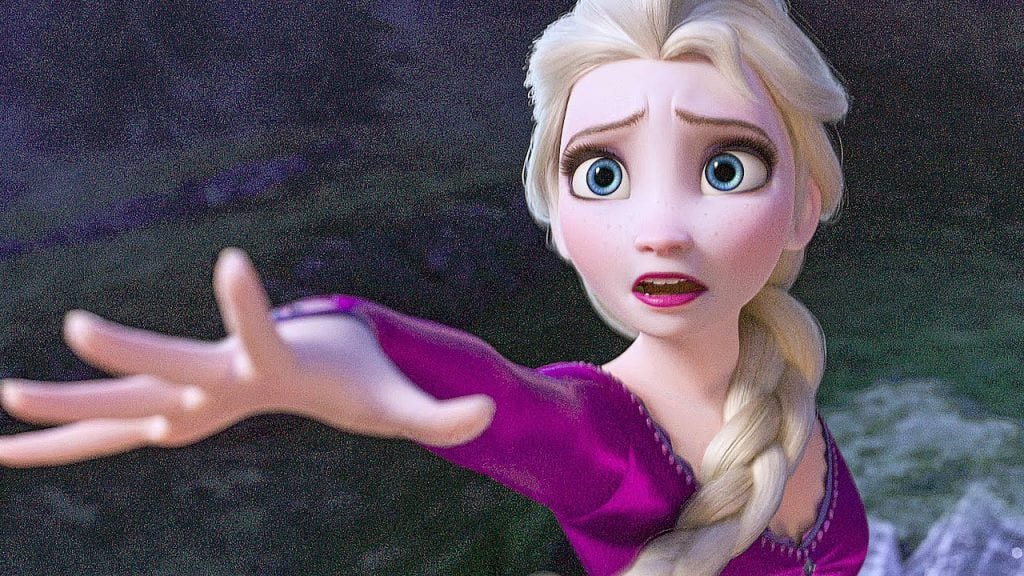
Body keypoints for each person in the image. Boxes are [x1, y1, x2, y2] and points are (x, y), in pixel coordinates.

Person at [0, 0, 869, 574]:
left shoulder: (777, 384)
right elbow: (505, 402)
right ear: (558, 220)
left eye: (725, 167)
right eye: (603, 175)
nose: (661, 230)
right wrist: (336, 345)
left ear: (804, 207)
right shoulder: (608, 442)